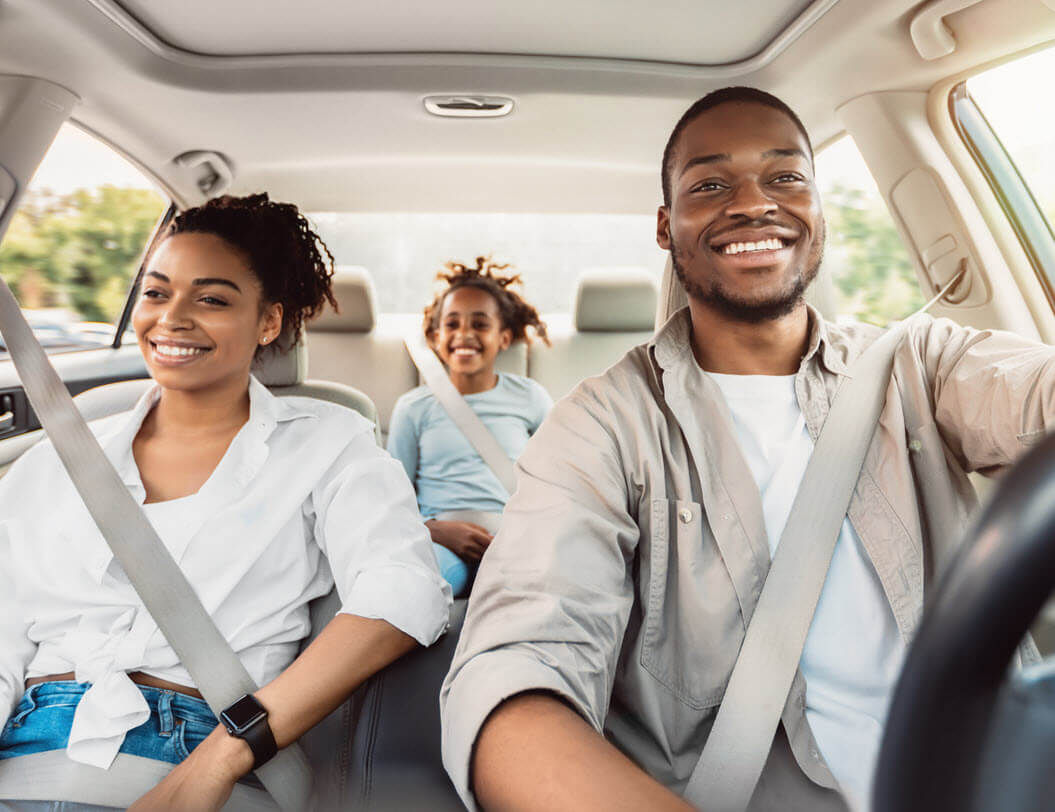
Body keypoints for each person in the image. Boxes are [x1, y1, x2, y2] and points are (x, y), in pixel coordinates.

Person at [439, 86, 1053, 812]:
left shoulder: (920, 363)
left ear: (818, 209)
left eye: (786, 176)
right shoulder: (600, 424)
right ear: (666, 228)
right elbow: (515, 671)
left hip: (990, 779)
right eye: (710, 183)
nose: (754, 202)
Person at [0, 193, 451, 810]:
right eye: (157, 293)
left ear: (269, 321)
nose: (172, 318)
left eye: (211, 299)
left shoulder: (326, 441)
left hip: (198, 746)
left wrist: (227, 753)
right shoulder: (55, 460)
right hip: (22, 753)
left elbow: (405, 591)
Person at [387, 257, 553, 596]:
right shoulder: (414, 407)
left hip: (515, 539)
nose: (464, 334)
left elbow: (558, 484)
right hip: (440, 540)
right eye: (452, 324)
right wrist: (434, 531)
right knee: (422, 587)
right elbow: (391, 502)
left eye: (480, 324)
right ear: (435, 338)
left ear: (504, 338)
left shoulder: (531, 399)